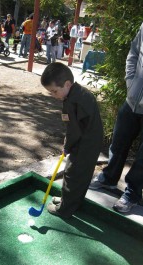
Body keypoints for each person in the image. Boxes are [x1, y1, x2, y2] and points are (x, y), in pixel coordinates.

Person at [89, 23, 143, 213]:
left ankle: (133, 193)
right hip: (133, 99)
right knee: (118, 142)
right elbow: (134, 53)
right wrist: (130, 82)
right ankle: (109, 179)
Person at [41, 62, 103, 218]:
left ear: (67, 84)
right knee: (80, 174)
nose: (54, 96)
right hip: (91, 141)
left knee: (72, 174)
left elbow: (74, 131)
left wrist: (67, 146)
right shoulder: (79, 92)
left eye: (55, 91)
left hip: (84, 144)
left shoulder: (71, 102)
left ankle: (65, 209)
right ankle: (69, 200)